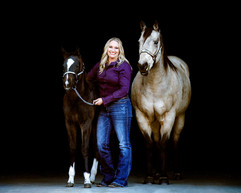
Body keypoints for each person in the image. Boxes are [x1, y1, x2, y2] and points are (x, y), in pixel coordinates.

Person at [87, 37, 133, 187]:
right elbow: (88, 78)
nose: (113, 50)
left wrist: (104, 99)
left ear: (120, 51)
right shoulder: (101, 65)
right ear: (106, 49)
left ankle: (121, 179)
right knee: (101, 144)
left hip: (120, 106)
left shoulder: (124, 66)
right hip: (104, 108)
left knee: (123, 145)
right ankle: (108, 176)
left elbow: (124, 90)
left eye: (116, 48)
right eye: (110, 47)